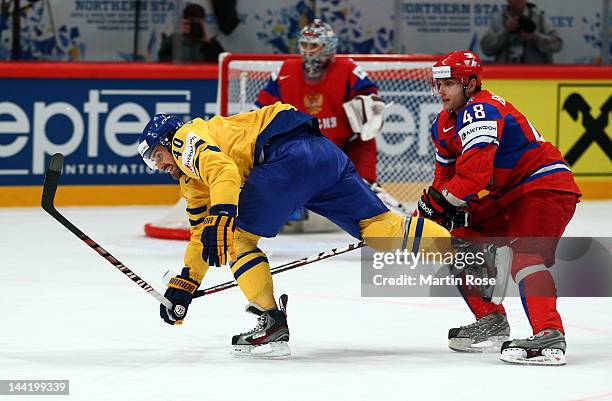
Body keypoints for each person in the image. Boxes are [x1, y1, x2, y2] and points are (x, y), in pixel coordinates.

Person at [137, 103, 510, 359]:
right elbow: (202, 231)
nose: (159, 164)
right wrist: (185, 283)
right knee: (379, 228)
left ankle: (271, 323)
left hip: (285, 159)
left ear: (168, 139)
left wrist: (223, 213)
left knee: (237, 238)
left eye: (156, 155)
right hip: (322, 154)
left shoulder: (186, 138)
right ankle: (469, 255)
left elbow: (225, 174)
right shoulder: (191, 179)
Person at [419, 50, 581, 365]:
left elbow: (474, 175)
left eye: (450, 84)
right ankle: (492, 320)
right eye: (438, 84)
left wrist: (438, 204)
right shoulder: (444, 124)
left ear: (470, 83)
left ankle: (549, 331)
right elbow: (446, 178)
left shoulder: (482, 109)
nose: (441, 92)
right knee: (457, 238)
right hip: (507, 195)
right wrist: (426, 216)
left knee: (526, 255)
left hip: (544, 187)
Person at [256, 19, 405, 215]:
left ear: (329, 47)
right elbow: (261, 109)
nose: (308, 50)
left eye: (314, 45)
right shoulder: (285, 71)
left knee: (365, 139)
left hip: (342, 150)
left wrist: (370, 106)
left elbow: (369, 94)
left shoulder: (347, 69)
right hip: (298, 152)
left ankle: (367, 187)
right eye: (305, 45)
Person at [480, 0, 562, 64]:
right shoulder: (499, 19)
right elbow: (486, 48)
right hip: (505, 77)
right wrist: (506, 32)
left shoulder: (539, 17)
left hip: (535, 77)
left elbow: (557, 44)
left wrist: (534, 37)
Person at [158, 3, 224, 63]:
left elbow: (221, 64)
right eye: (188, 23)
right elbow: (163, 63)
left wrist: (208, 43)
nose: (193, 27)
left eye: (196, 24)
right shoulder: (173, 42)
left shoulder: (211, 44)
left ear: (203, 23)